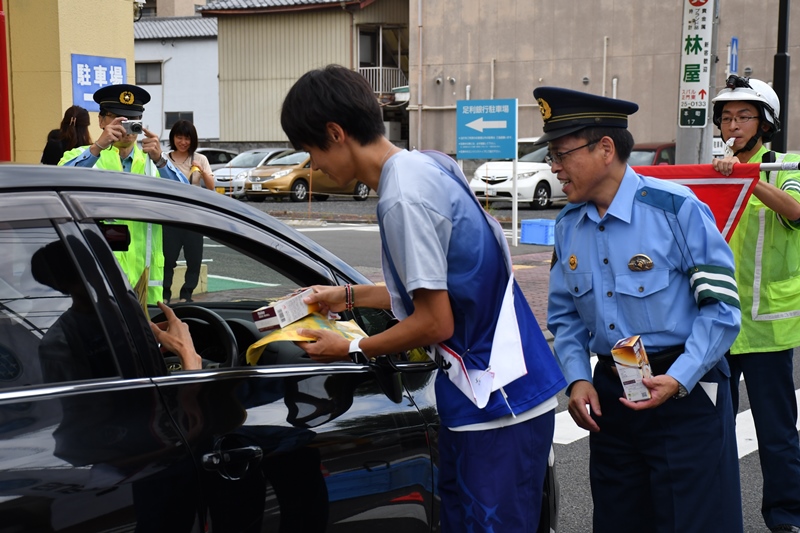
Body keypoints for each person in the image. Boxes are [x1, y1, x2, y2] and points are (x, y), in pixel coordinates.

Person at [279, 65, 566, 532]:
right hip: (499, 391)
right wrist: (346, 296)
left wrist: (351, 348)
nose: (314, 166)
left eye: (311, 151)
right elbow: (437, 290)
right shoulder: (428, 164)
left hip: (494, 402)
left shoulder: (401, 198)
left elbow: (436, 323)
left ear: (336, 133)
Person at [540, 86, 743, 532]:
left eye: (560, 154)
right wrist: (576, 377)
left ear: (605, 149)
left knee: (692, 520)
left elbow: (723, 308)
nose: (553, 167)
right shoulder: (567, 225)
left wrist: (680, 378)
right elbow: (565, 316)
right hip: (613, 396)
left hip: (684, 393)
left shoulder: (676, 209)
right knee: (618, 519)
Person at [711, 76, 800, 533]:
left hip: (767, 328)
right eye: (726, 117)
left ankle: (786, 518)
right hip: (717, 325)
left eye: (744, 116)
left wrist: (746, 179)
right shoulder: (713, 170)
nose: (733, 125)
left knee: (777, 434)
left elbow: (795, 210)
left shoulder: (786, 165)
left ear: (765, 122)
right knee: (712, 432)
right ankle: (718, 516)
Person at [59, 84, 188, 305]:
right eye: (118, 119)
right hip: (96, 279)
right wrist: (99, 146)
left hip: (145, 286)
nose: (126, 128)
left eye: (132, 120)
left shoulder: (154, 162)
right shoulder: (83, 156)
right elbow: (58, 183)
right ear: (101, 121)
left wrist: (160, 160)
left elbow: (187, 198)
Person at [162, 120, 214, 303]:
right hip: (170, 217)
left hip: (194, 217)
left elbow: (211, 187)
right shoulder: (163, 159)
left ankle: (186, 295)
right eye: (179, 137)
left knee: (194, 259)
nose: (183, 142)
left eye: (187, 138)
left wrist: (203, 172)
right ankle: (165, 294)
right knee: (167, 259)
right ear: (173, 138)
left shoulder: (200, 159)